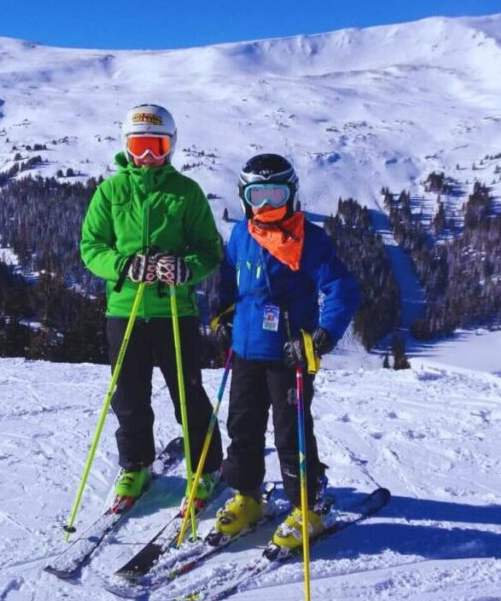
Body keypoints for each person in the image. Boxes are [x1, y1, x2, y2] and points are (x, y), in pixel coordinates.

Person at [80, 104, 224, 510]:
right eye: (138, 146)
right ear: (125, 146)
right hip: (124, 310)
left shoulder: (186, 192)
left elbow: (209, 250)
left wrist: (185, 267)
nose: (146, 156)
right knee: (129, 396)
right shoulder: (111, 192)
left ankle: (206, 467)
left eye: (156, 147)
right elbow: (91, 248)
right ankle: (135, 464)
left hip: (174, 312)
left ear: (171, 146)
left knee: (188, 395)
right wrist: (124, 265)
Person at [213, 153, 360, 548]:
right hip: (245, 349)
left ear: (292, 195)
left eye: (275, 195)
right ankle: (247, 495)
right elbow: (228, 279)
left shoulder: (309, 239)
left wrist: (321, 336)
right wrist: (221, 315)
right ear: (244, 198)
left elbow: (342, 289)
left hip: (289, 355)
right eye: (257, 196)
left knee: (290, 432)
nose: (266, 206)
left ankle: (308, 505)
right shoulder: (241, 234)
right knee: (241, 426)